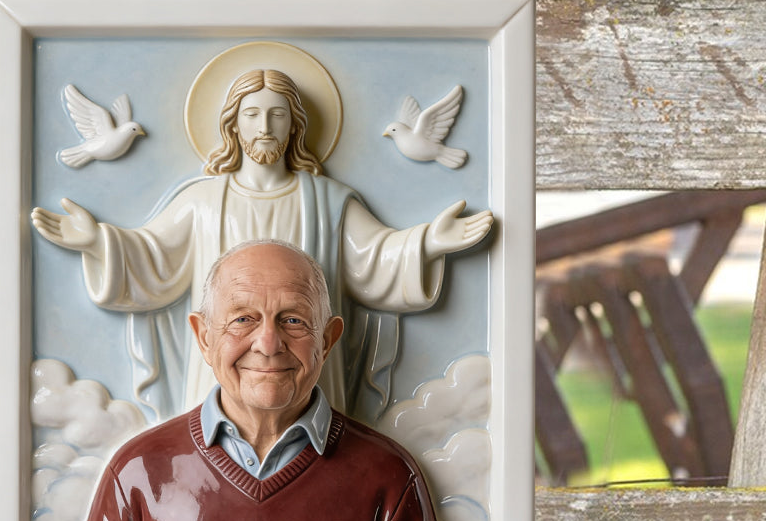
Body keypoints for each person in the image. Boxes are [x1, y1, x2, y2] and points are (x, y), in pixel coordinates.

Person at [32, 66, 492, 421]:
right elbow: (152, 259)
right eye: (252, 114)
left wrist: (429, 243)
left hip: (303, 367)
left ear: (296, 125)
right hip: (224, 369)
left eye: (278, 114)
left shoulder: (326, 200)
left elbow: (372, 261)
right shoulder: (204, 200)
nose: (265, 126)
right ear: (233, 125)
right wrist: (98, 242)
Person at [76, 241, 446, 521]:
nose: (268, 344)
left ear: (328, 339)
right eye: (243, 319)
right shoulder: (137, 471)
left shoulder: (390, 475)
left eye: (294, 320)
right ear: (204, 337)